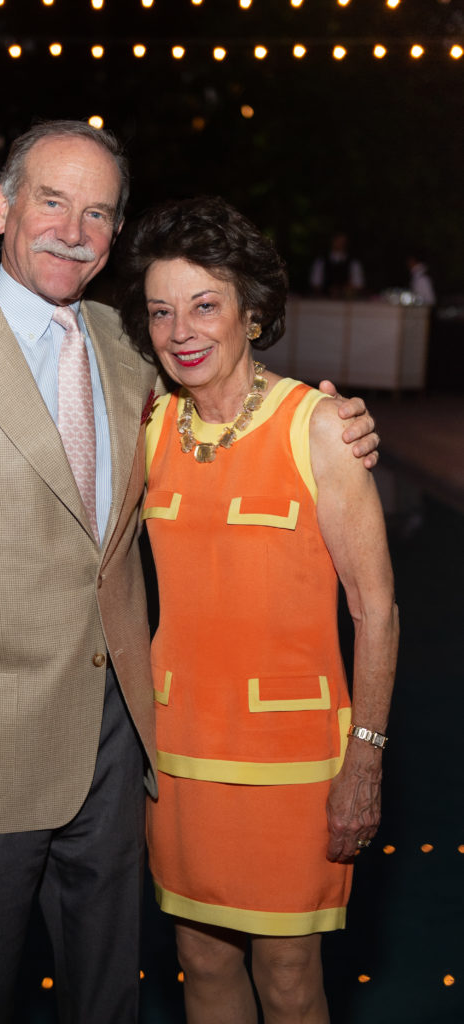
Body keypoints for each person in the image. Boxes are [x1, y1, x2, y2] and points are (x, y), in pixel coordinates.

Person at [0, 121, 379, 1024]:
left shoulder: (132, 348)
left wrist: (338, 423)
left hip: (122, 751)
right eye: (51, 201)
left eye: (98, 213)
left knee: (109, 1002)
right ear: (1, 207)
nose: (73, 229)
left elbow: (231, 389)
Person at [117, 196, 398, 1024]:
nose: (182, 331)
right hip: (179, 755)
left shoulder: (320, 429)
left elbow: (375, 611)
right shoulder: (150, 428)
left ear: (253, 312)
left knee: (288, 979)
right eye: (162, 311)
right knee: (199, 963)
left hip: (291, 765)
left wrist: (367, 760)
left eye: (205, 305)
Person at [309, 232, 365, 299]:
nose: (341, 244)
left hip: (346, 301)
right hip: (324, 300)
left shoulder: (353, 263)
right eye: (338, 241)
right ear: (332, 241)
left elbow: (358, 285)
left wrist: (345, 290)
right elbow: (315, 284)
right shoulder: (321, 261)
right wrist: (328, 290)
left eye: (343, 242)